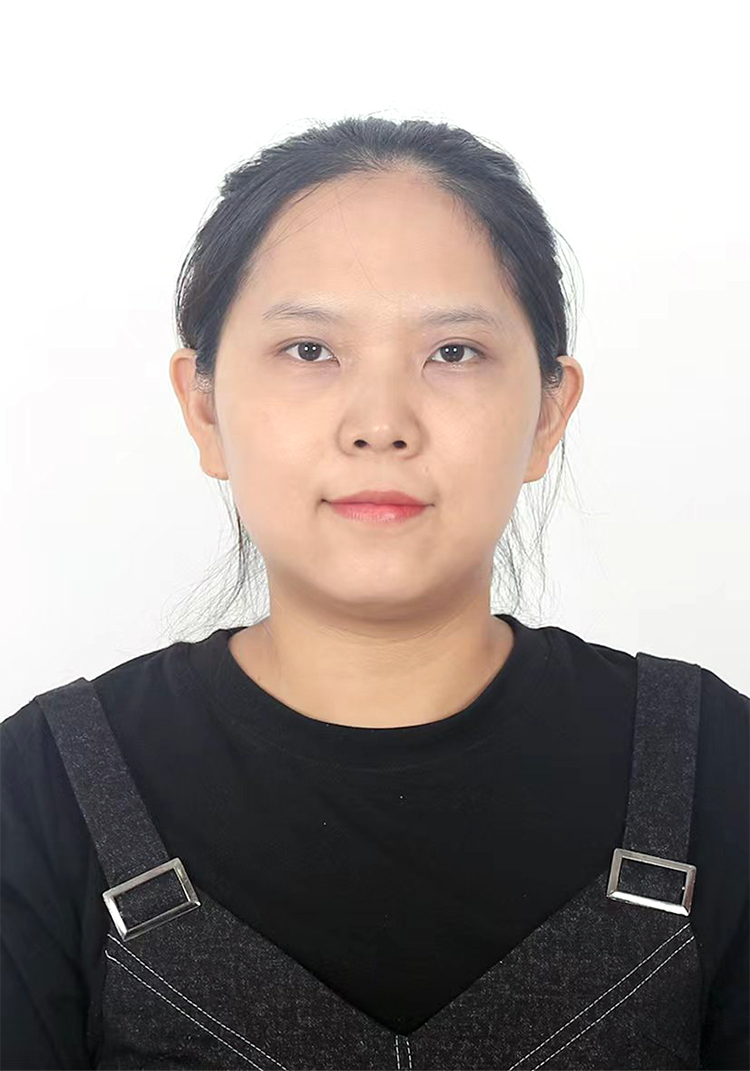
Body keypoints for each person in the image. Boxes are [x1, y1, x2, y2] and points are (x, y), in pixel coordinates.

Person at [2, 116, 747, 1071]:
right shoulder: (39, 792)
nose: (382, 423)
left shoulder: (721, 769)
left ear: (548, 413)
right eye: (310, 350)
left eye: (453, 352)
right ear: (205, 407)